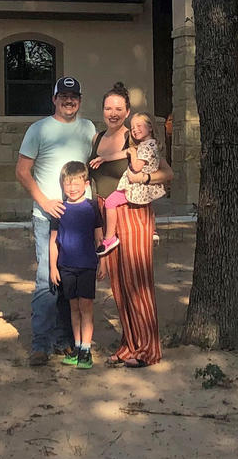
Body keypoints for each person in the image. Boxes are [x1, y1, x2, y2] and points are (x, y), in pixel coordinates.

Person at [87, 82, 174, 368]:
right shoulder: (98, 138)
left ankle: (149, 349)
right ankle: (130, 345)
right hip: (106, 214)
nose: (113, 113)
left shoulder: (135, 140)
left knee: (138, 282)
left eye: (118, 109)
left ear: (127, 112)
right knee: (119, 285)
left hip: (133, 212)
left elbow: (167, 173)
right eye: (108, 108)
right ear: (103, 110)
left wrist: (144, 179)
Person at [16, 76, 97, 367]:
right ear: (54, 99)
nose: (68, 100)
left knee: (70, 279)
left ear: (79, 99)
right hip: (47, 217)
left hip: (79, 219)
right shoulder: (38, 129)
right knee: (45, 280)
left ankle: (67, 341)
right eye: (63, 95)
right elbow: (23, 171)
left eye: (73, 96)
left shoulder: (88, 128)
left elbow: (95, 166)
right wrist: (44, 201)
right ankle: (41, 344)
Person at [49, 161, 105, 370]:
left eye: (76, 183)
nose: (72, 188)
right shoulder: (59, 209)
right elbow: (53, 241)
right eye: (68, 184)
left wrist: (104, 263)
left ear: (86, 183)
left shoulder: (91, 207)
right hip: (66, 266)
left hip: (87, 266)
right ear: (62, 185)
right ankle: (77, 346)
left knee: (86, 307)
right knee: (73, 307)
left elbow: (100, 239)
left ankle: (86, 350)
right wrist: (53, 267)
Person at [92, 112, 167, 255]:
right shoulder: (143, 145)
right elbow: (122, 153)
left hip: (136, 186)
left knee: (110, 202)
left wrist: (132, 153)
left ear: (150, 127)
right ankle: (152, 230)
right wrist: (104, 158)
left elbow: (137, 167)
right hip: (142, 187)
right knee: (147, 207)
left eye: (139, 126)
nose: (135, 129)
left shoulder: (147, 146)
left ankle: (110, 238)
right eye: (132, 127)